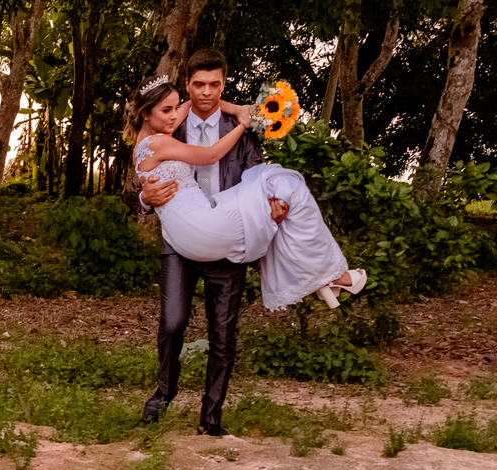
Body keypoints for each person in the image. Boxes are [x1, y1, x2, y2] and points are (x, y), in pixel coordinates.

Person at [136, 51, 364, 437]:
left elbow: (254, 175)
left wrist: (273, 210)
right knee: (172, 323)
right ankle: (164, 391)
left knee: (223, 334)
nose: (206, 93)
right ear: (187, 84)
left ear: (224, 83)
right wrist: (146, 199)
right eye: (198, 85)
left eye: (215, 85)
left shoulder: (237, 122)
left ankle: (211, 420)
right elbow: (141, 177)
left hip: (226, 232)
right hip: (181, 241)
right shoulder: (169, 117)